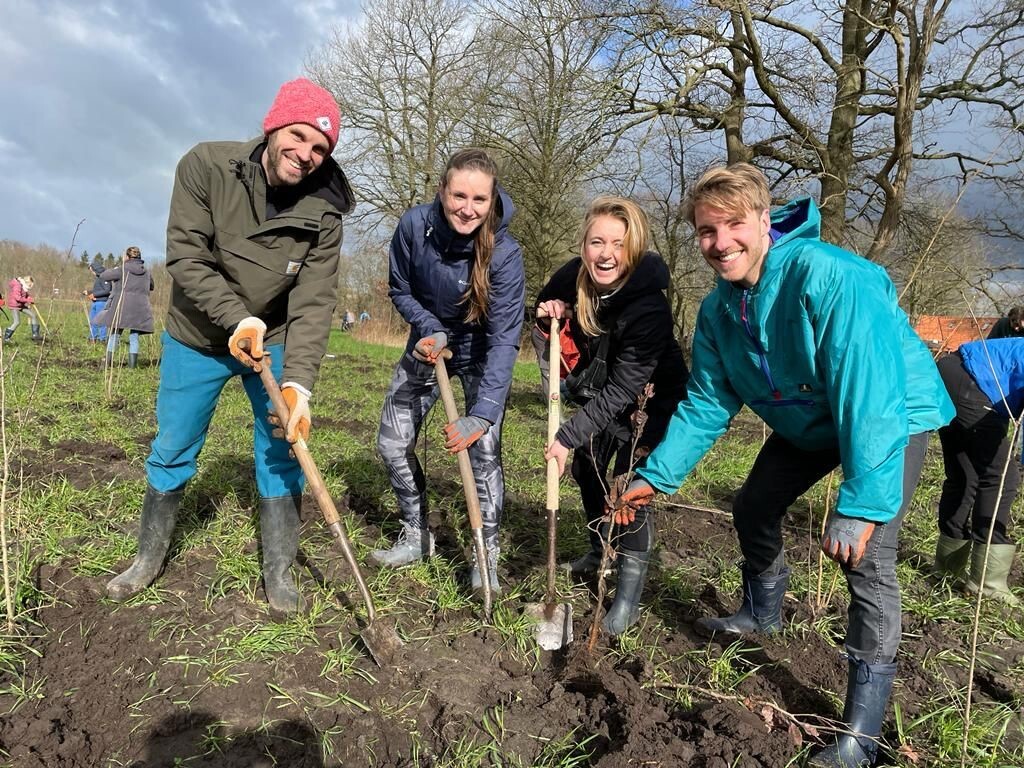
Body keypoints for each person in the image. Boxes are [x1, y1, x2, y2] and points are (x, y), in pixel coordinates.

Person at [613, 163, 954, 768]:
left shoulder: (829, 277)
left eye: (733, 226)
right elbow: (706, 403)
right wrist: (654, 476)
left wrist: (863, 504)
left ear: (765, 222)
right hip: (811, 418)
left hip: (891, 415)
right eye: (706, 232)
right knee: (753, 507)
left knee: (868, 558)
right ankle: (761, 613)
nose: (721, 244)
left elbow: (869, 390)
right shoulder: (720, 311)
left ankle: (861, 739)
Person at [105, 78, 354, 615]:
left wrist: (299, 386)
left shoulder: (325, 215)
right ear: (273, 126)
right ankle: (147, 559)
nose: (305, 154)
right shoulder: (206, 167)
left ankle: (280, 573)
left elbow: (314, 302)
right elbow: (186, 257)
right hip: (198, 335)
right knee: (174, 443)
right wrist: (237, 318)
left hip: (277, 337)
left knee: (282, 446)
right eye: (298, 136)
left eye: (320, 149)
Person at [371, 148, 525, 595]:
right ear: (442, 192)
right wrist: (430, 327)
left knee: (483, 454)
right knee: (392, 442)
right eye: (459, 195)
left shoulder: (505, 253)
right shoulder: (414, 227)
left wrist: (484, 413)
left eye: (479, 199)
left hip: (481, 355)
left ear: (492, 199)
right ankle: (416, 534)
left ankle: (485, 558)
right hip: (428, 345)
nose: (468, 208)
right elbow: (399, 289)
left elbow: (504, 338)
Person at [536, 196, 689, 635]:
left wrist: (564, 435)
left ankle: (626, 598)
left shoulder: (649, 306)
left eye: (619, 244)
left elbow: (625, 388)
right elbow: (542, 312)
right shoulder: (573, 276)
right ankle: (598, 548)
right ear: (583, 245)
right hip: (604, 392)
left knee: (628, 492)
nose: (606, 254)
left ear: (635, 247)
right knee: (586, 465)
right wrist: (551, 317)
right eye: (597, 242)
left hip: (652, 402)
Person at [934, 338, 1024, 604]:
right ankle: (986, 583)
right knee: (1001, 477)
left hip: (948, 373)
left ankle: (947, 570)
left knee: (965, 476)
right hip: (973, 383)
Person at [96, 247, 154, 367]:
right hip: (140, 308)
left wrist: (119, 266)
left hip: (122, 307)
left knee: (115, 334)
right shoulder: (146, 272)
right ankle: (132, 367)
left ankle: (108, 363)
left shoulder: (122, 269)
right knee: (134, 337)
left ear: (127, 257)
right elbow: (151, 286)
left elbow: (104, 275)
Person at [3, 275, 40, 342]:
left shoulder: (24, 287)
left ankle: (35, 335)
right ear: (27, 282)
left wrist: (29, 298)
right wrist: (27, 300)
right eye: (30, 285)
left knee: (33, 315)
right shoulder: (18, 286)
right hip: (14, 305)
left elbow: (25, 295)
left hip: (20, 305)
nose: (30, 287)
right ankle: (6, 337)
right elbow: (17, 298)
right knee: (17, 322)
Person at [87, 258, 111, 343]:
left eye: (92, 270)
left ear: (95, 269)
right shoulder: (98, 277)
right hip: (95, 302)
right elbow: (99, 290)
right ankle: (92, 338)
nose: (92, 272)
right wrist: (89, 292)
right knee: (92, 321)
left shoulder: (105, 277)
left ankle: (102, 339)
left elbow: (107, 290)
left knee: (101, 321)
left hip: (102, 303)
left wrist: (94, 295)